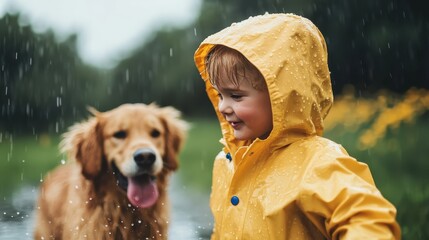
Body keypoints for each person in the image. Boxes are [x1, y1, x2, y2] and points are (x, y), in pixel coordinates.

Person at [194, 13, 401, 239]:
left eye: (235, 95)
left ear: (281, 96)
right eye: (219, 94)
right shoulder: (227, 162)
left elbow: (367, 219)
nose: (223, 106)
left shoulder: (317, 162)